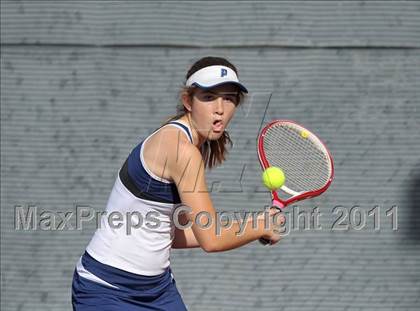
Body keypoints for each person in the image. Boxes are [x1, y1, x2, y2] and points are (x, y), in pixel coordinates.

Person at [72, 56, 284, 310]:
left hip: (158, 290)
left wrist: (255, 227)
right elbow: (212, 239)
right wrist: (258, 226)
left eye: (229, 98)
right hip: (106, 289)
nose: (220, 108)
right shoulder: (181, 150)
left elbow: (170, 232)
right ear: (188, 101)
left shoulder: (189, 144)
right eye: (208, 97)